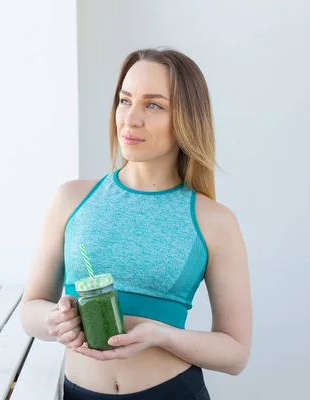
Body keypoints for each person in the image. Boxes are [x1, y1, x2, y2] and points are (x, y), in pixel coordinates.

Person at [20, 47, 252, 400]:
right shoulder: (70, 200)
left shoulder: (214, 221)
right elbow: (31, 308)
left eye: (153, 105)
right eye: (125, 100)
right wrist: (55, 320)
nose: (130, 119)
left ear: (187, 119)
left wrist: (161, 334)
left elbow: (235, 353)